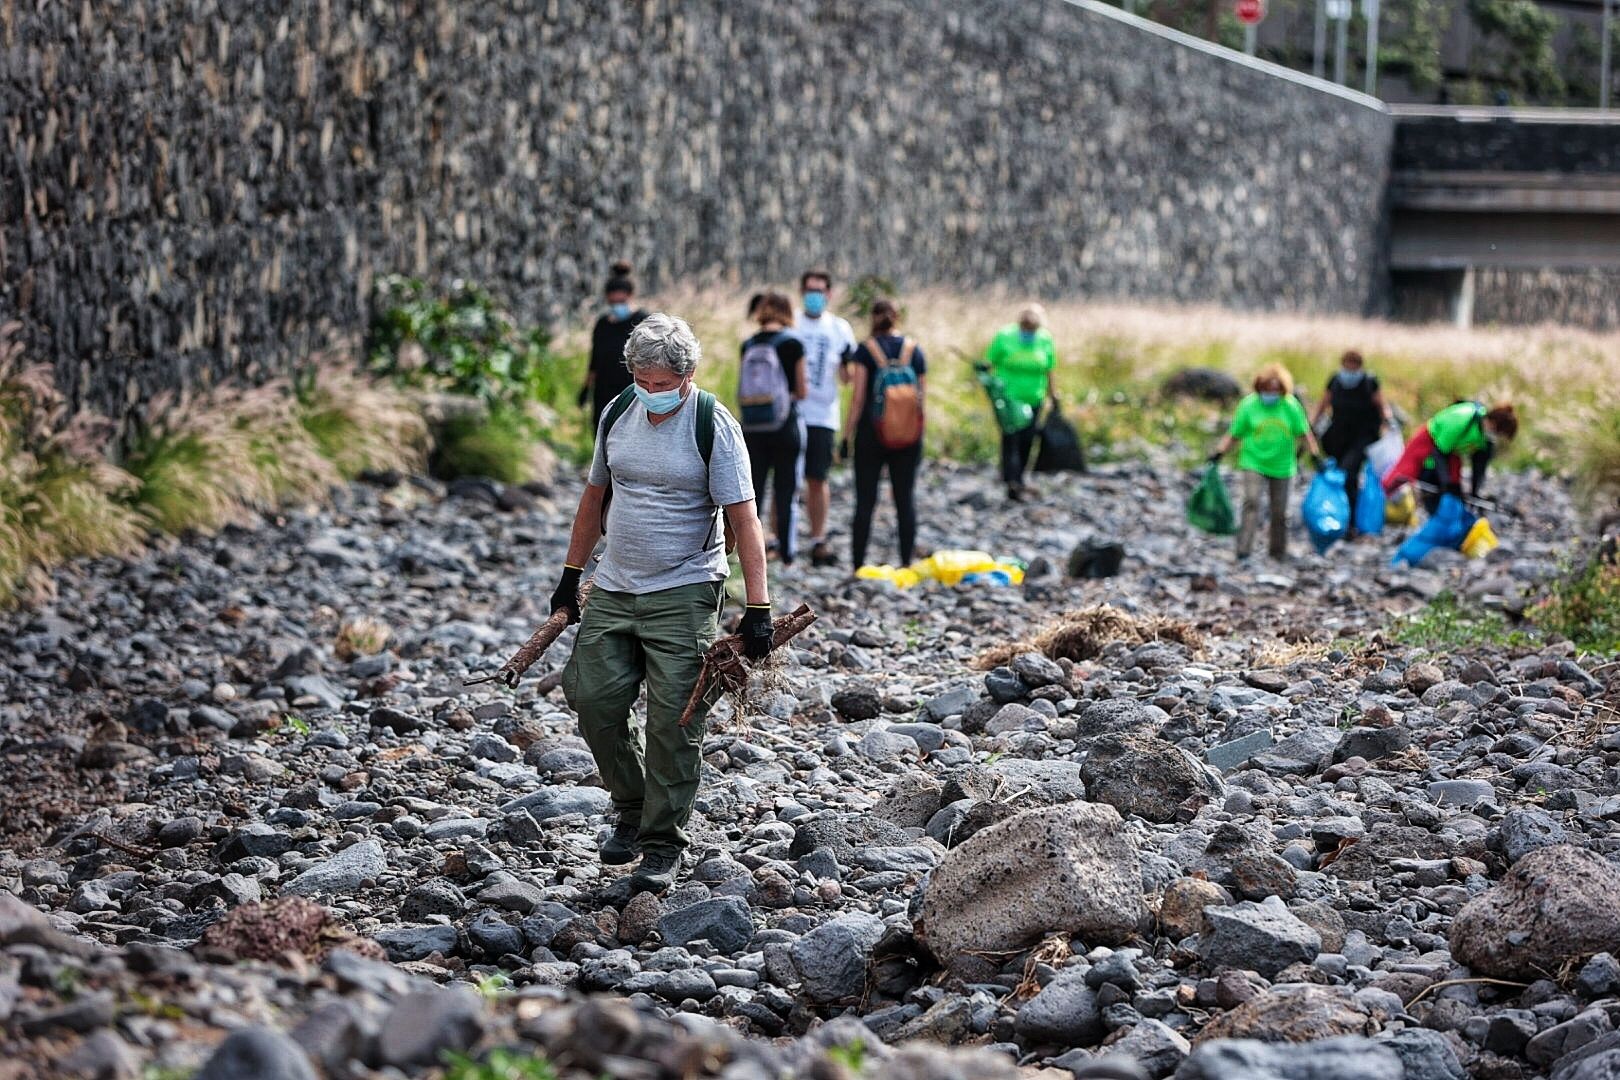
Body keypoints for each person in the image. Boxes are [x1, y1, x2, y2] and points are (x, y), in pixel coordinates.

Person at [552, 314, 776, 896]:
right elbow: (594, 496)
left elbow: (744, 518)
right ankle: (631, 805)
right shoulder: (617, 412)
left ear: (688, 375)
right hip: (616, 584)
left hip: (684, 589)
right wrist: (571, 575)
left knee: (676, 720)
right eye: (641, 380)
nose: (650, 393)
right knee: (592, 697)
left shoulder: (713, 425)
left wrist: (758, 606)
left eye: (660, 383)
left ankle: (660, 844)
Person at [1209, 363, 1323, 562]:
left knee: (1279, 511)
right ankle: (1243, 549)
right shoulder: (1249, 405)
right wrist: (1219, 453)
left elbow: (1304, 434)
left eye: (1275, 390)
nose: (1270, 393)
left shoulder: (1290, 406)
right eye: (1266, 389)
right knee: (1251, 501)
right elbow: (1234, 433)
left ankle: (1277, 551)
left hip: (1282, 465)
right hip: (1254, 461)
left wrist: (1314, 455)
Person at [846, 300, 926, 569]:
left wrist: (847, 435)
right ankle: (906, 563)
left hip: (872, 434)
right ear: (897, 317)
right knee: (905, 499)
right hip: (907, 435)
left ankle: (858, 564)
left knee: (865, 500)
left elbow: (858, 399)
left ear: (873, 318)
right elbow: (921, 398)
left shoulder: (865, 351)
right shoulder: (914, 350)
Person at [737, 291, 807, 565]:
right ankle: (787, 553)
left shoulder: (748, 344)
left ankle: (748, 550)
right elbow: (802, 390)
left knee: (754, 491)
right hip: (785, 425)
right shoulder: (793, 343)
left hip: (753, 427)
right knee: (786, 489)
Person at [794, 270, 857, 567]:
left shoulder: (839, 328)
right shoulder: (792, 322)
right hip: (792, 412)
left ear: (829, 294)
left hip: (823, 413)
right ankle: (783, 537)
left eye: (819, 290)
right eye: (809, 290)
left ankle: (818, 538)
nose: (814, 295)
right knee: (786, 478)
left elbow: (848, 379)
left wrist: (847, 362)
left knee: (817, 478)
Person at [1309, 350, 1394, 537]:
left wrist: (1389, 423)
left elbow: (1382, 406)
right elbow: (1323, 405)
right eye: (1347, 366)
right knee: (1340, 474)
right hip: (1339, 436)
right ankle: (1340, 515)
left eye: (1353, 366)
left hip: (1363, 436)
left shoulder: (1369, 382)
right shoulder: (1335, 381)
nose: (1350, 370)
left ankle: (1351, 522)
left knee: (1350, 473)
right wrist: (1311, 427)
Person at [1383, 400, 1517, 513]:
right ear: (1493, 424)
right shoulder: (1462, 419)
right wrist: (1444, 482)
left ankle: (1444, 518)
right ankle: (1380, 499)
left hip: (1452, 453)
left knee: (1454, 490)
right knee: (1404, 473)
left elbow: (1479, 467)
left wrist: (1474, 493)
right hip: (1430, 440)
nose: (1497, 438)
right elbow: (1439, 452)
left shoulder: (1486, 440)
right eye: (1499, 434)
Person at [985, 303, 1057, 501]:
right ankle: (1011, 479)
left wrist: (1053, 394)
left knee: (1028, 438)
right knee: (1010, 438)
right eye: (1026, 329)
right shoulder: (1005, 336)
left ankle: (1021, 475)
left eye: (1032, 329)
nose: (1028, 332)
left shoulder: (1044, 339)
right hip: (1009, 399)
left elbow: (1050, 368)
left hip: (1034, 397)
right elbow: (990, 361)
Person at [578, 261, 649, 425]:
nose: (617, 306)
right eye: (613, 303)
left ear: (630, 296)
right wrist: (586, 389)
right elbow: (594, 361)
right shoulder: (602, 325)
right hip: (603, 392)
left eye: (621, 302)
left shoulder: (642, 321)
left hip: (632, 391)